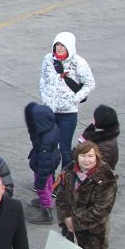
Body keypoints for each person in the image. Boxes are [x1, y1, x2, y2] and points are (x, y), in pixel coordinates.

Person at [49, 137, 117, 249]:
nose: (86, 160)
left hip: (94, 234)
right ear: (77, 157)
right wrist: (65, 219)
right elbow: (62, 197)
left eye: (90, 156)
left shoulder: (106, 178)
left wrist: (75, 222)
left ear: (97, 157)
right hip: (71, 231)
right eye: (83, 156)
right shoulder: (70, 172)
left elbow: (101, 210)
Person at [38, 31, 96, 170]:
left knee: (65, 149)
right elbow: (43, 79)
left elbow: (90, 84)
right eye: (57, 44)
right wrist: (44, 95)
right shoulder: (48, 59)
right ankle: (47, 180)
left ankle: (65, 182)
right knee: (47, 148)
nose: (59, 48)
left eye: (62, 45)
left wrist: (74, 100)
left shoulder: (79, 63)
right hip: (49, 112)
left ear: (69, 46)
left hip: (67, 114)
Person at [22, 102, 62, 224]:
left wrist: (39, 183)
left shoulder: (45, 142)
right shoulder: (51, 128)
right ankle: (48, 200)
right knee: (49, 180)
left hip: (43, 164)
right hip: (52, 161)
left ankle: (47, 211)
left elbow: (44, 164)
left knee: (42, 187)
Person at [81, 103, 121, 172]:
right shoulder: (106, 136)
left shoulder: (102, 145)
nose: (92, 119)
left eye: (94, 117)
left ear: (100, 121)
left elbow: (96, 167)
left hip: (96, 179)